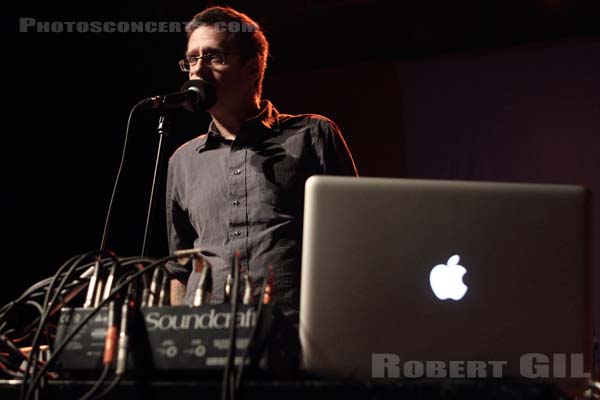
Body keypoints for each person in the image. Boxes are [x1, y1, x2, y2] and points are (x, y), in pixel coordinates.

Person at [166, 6, 358, 323]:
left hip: (294, 327)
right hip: (207, 332)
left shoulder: (312, 134)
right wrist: (176, 335)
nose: (198, 71)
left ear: (252, 68)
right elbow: (179, 264)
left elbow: (353, 238)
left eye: (214, 57)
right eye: (192, 60)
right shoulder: (182, 159)